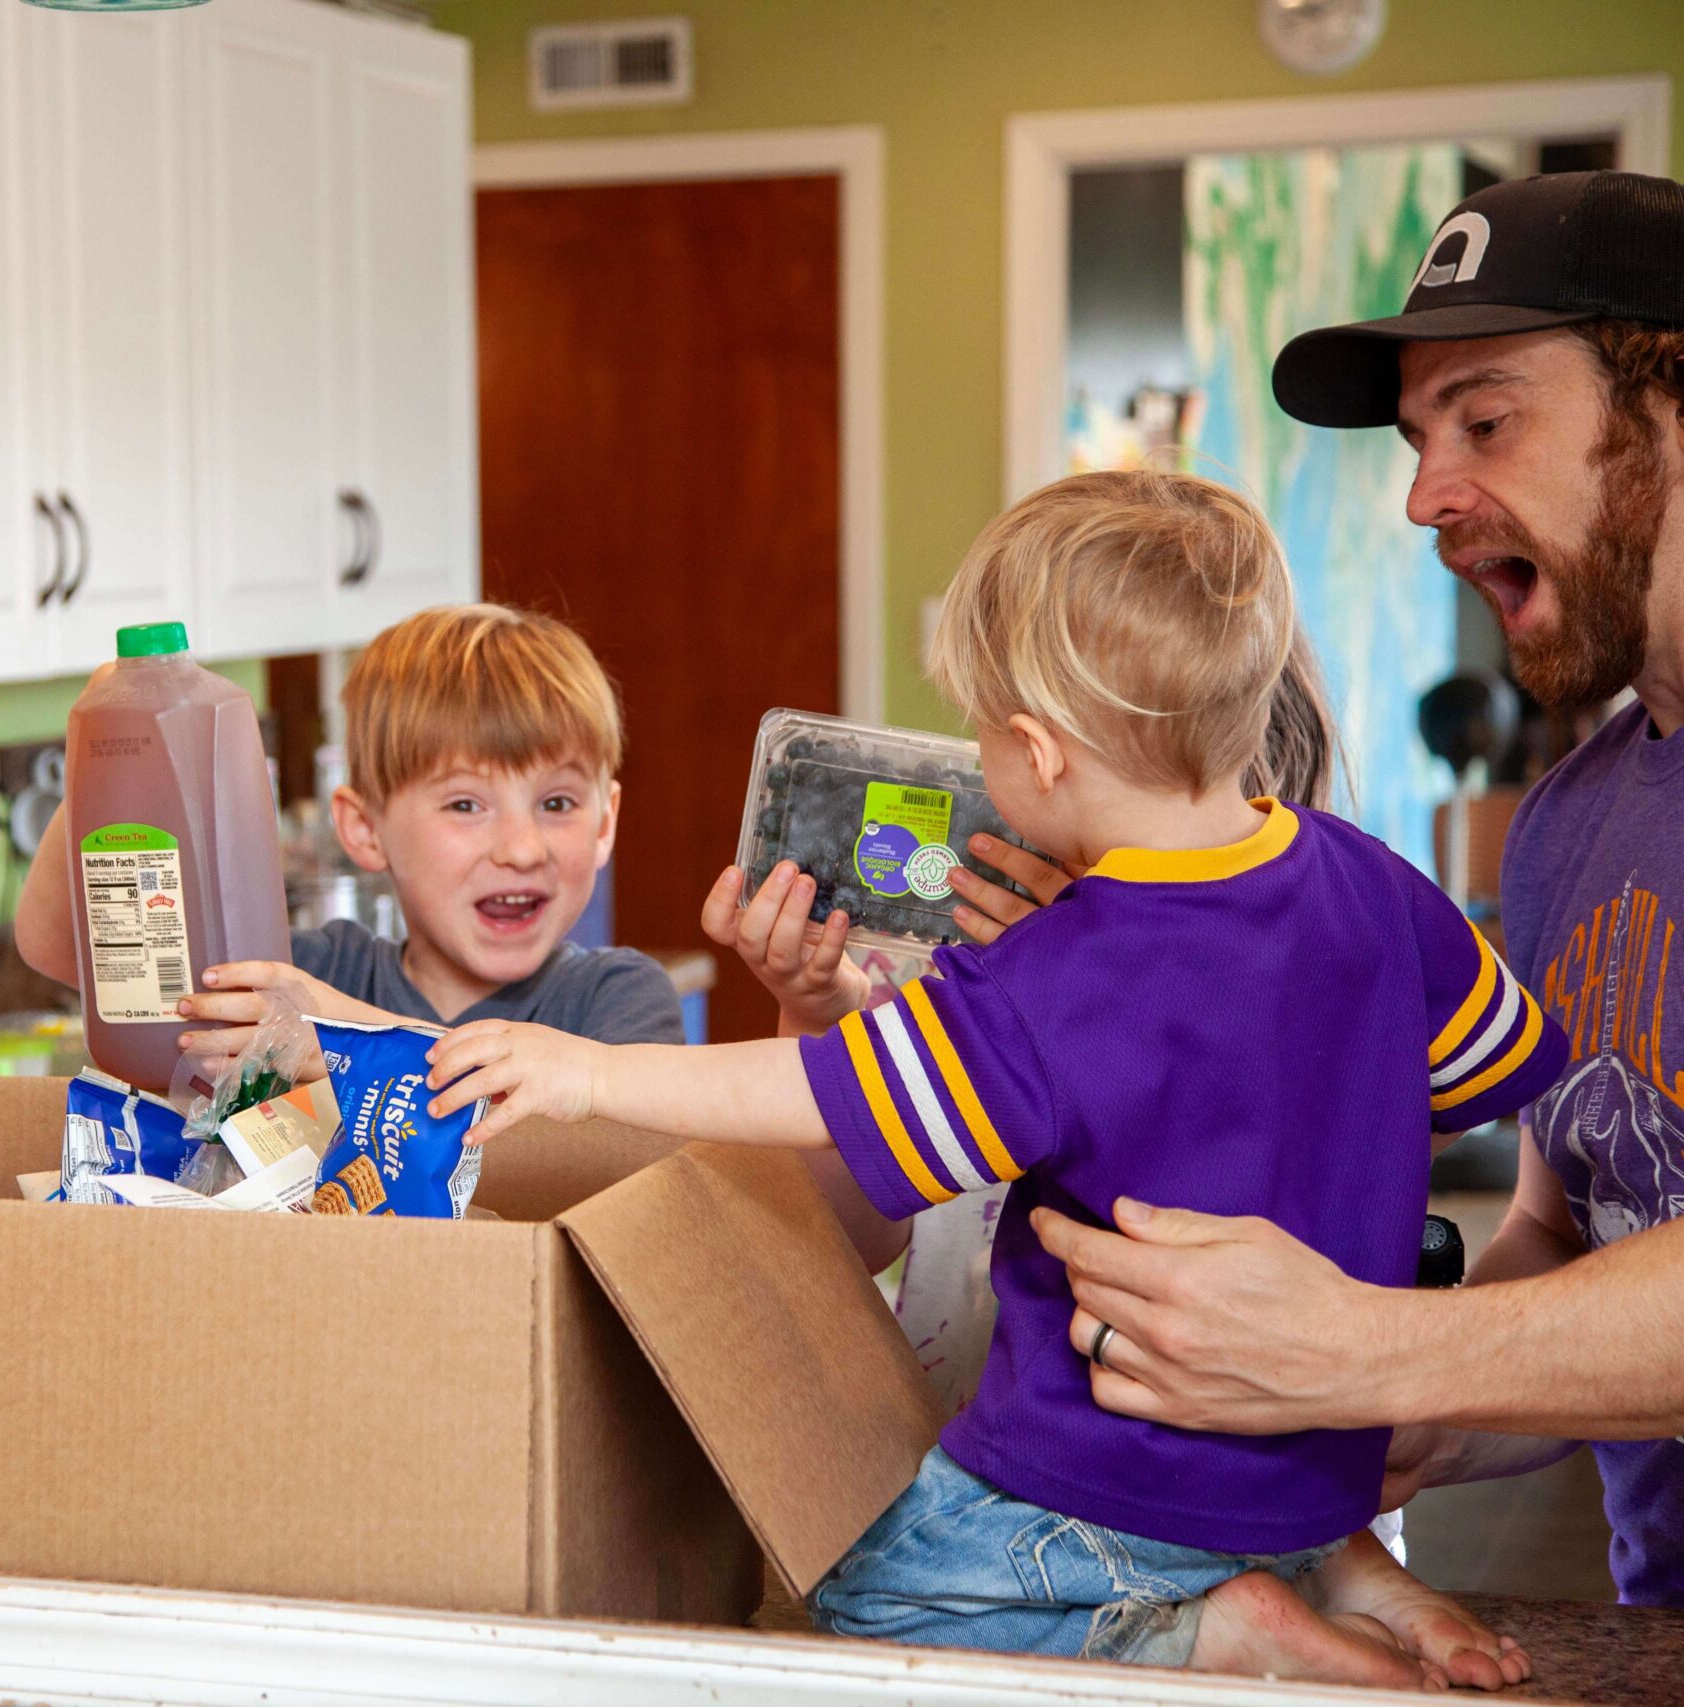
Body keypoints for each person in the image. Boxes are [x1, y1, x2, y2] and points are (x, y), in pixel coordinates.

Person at [425, 471, 1558, 1688]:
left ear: (1035, 754)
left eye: (980, 733)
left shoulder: (1062, 976)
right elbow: (1489, 1065)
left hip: (1109, 1478)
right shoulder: (1369, 878)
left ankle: (1210, 1630)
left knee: (862, 1586)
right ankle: (1342, 1570)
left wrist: (589, 1072)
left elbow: (818, 1088)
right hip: (1314, 1453)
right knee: (1240, 1516)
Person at [1025, 170, 1684, 1606]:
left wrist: (1357, 1345)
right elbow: (1572, 1235)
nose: (1426, 494)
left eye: (1489, 421)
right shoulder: (1570, 824)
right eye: (1420, 436)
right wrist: (1383, 1427)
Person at [708, 631, 1343, 1419]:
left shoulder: (1310, 975)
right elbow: (849, 1239)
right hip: (970, 1462)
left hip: (1209, 1474)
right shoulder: (921, 972)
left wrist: (1108, 989)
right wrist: (811, 1009)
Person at [15, 603, 684, 1048]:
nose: (521, 848)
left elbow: (568, 1149)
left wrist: (334, 1037)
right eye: (465, 805)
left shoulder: (618, 1003)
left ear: (606, 823)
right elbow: (61, 945)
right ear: (363, 829)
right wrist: (101, 753)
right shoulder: (309, 972)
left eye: (558, 804)